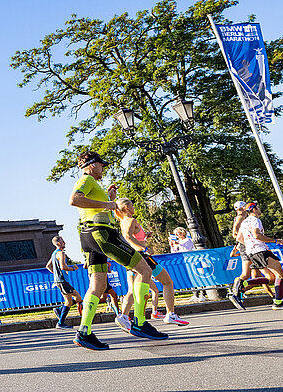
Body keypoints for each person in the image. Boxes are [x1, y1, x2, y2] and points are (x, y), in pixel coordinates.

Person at [69, 150, 167, 350]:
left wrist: (108, 198)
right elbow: (74, 200)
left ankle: (84, 332)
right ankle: (139, 322)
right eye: (101, 165)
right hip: (102, 234)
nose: (103, 169)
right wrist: (109, 203)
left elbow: (92, 208)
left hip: (88, 235)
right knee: (145, 270)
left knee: (97, 285)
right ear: (92, 165)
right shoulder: (86, 180)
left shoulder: (94, 185)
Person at [113, 199, 189, 327]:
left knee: (132, 289)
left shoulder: (123, 221)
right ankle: (170, 314)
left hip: (133, 258)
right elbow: (127, 236)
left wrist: (144, 237)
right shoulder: (132, 220)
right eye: (131, 205)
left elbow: (131, 236)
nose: (133, 207)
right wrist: (145, 248)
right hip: (143, 257)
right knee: (167, 282)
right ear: (126, 207)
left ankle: (123, 316)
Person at [237, 202, 283, 309]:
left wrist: (250, 245)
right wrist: (276, 241)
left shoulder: (244, 222)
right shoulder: (255, 220)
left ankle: (242, 284)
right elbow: (257, 235)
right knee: (280, 275)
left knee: (270, 278)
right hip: (261, 250)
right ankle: (278, 302)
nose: (259, 209)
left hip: (251, 252)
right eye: (258, 207)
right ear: (253, 209)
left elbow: (239, 238)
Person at [46, 235, 81, 329]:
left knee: (78, 298)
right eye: (63, 241)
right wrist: (73, 268)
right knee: (69, 302)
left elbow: (48, 266)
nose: (65, 243)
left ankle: (60, 309)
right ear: (58, 243)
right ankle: (61, 323)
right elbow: (63, 267)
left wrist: (55, 274)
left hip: (62, 280)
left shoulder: (54, 253)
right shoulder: (61, 253)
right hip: (62, 280)